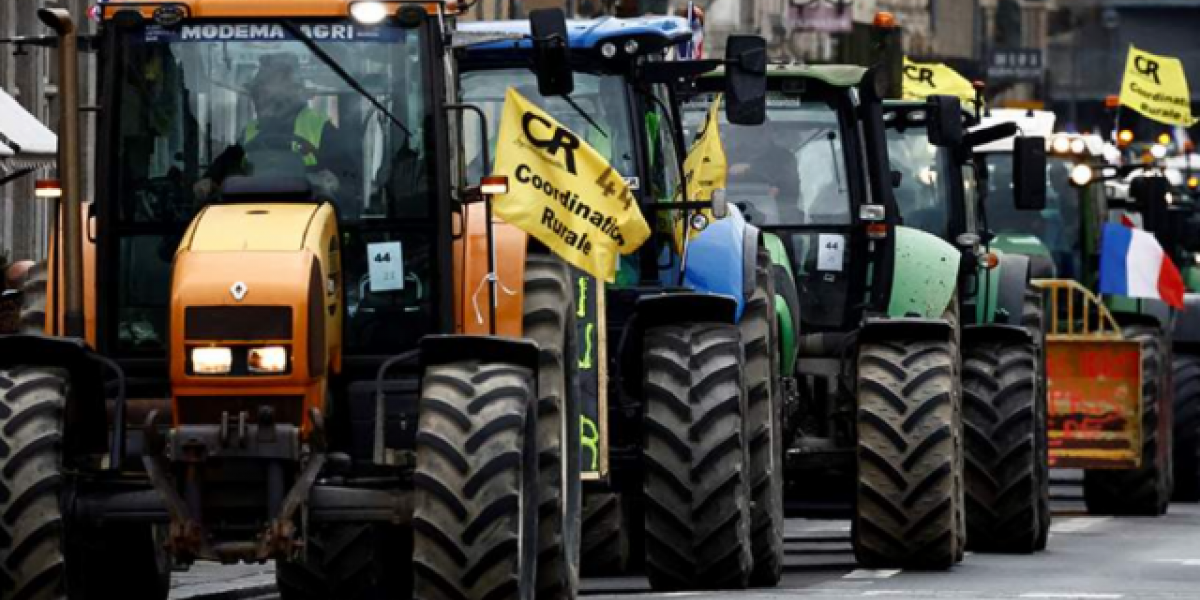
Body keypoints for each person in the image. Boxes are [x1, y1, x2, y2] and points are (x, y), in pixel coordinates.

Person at [194, 53, 347, 201]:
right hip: (249, 211)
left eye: (268, 96)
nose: (260, 102)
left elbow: (348, 176)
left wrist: (334, 180)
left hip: (307, 209)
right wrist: (209, 180)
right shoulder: (251, 131)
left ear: (291, 95)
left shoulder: (321, 128)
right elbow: (227, 164)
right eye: (257, 94)